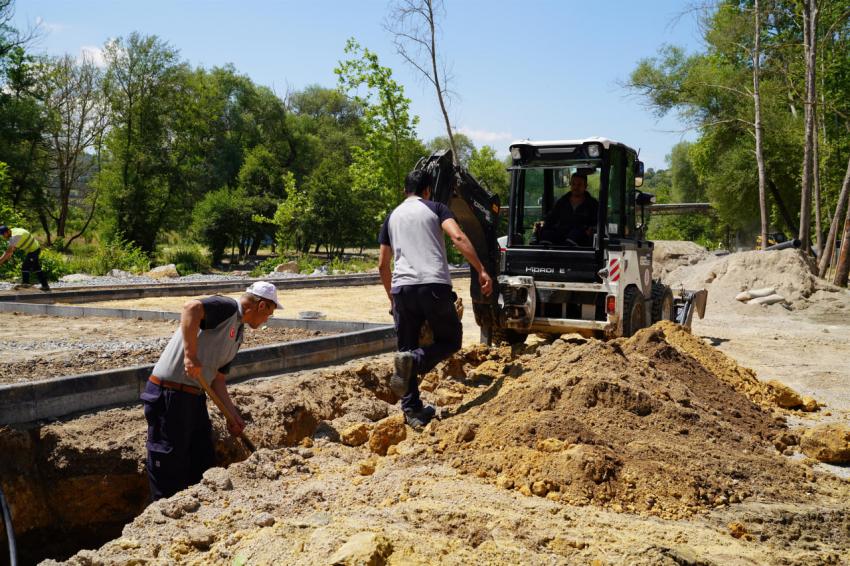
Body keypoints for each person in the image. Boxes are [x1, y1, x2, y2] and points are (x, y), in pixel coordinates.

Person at [141, 281, 281, 501]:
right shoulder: (226, 307)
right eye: (268, 314)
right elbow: (191, 308)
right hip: (169, 394)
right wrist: (190, 355)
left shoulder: (238, 334)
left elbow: (218, 379)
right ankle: (164, 513)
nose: (266, 320)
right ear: (262, 305)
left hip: (194, 398)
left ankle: (198, 509)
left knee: (201, 460)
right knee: (168, 463)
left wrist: (232, 415)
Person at [378, 169, 493, 429]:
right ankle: (415, 361)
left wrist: (393, 300)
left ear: (404, 191)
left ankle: (412, 411)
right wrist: (481, 269)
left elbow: (383, 264)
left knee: (405, 348)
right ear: (428, 190)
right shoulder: (437, 208)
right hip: (433, 286)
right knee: (451, 339)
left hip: (402, 289)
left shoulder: (392, 216)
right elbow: (458, 236)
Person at [536, 172, 599, 246]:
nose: (576, 187)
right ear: (570, 185)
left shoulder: (593, 204)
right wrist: (543, 228)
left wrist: (591, 229)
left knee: (575, 235)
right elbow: (551, 218)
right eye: (573, 184)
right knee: (546, 235)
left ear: (585, 186)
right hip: (561, 234)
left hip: (581, 238)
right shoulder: (562, 202)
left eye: (579, 185)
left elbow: (598, 223)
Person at [0, 224, 50, 291]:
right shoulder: (13, 232)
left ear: (8, 231)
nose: (3, 236)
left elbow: (8, 251)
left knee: (25, 266)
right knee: (36, 268)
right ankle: (45, 286)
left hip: (34, 250)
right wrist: (8, 256)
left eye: (3, 234)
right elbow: (12, 250)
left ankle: (25, 284)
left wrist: (1, 261)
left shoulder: (15, 236)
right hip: (34, 249)